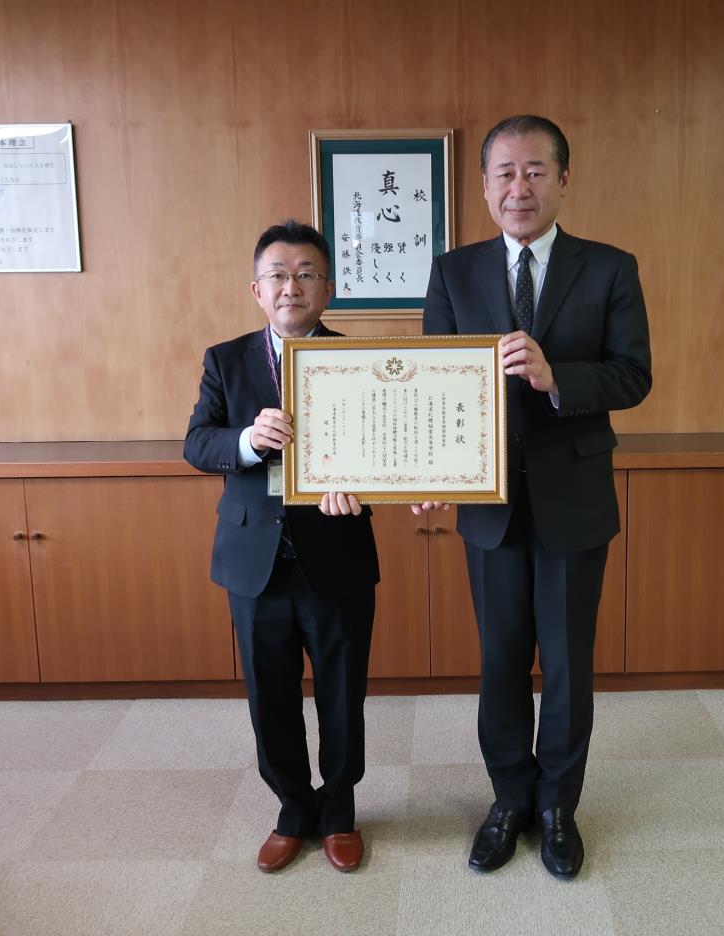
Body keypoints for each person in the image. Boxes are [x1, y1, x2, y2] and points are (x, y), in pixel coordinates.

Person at [418, 115, 651, 879]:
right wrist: (426, 478)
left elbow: (633, 376)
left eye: (535, 172)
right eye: (504, 173)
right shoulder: (454, 273)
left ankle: (558, 807)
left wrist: (559, 378)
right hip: (488, 505)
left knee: (569, 663)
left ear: (563, 179)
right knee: (501, 660)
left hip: (574, 497)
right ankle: (508, 800)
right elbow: (435, 391)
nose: (519, 188)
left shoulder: (610, 267)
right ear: (484, 185)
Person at [184, 220, 378, 874]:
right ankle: (294, 809)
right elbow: (197, 444)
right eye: (278, 275)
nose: (291, 285)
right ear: (257, 290)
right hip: (254, 560)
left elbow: (388, 452)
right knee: (269, 694)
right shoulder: (226, 360)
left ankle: (340, 810)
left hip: (337, 552)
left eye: (306, 274)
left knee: (342, 691)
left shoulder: (360, 364)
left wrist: (361, 488)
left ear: (329, 288)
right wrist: (246, 439)